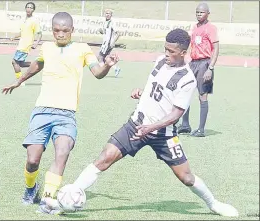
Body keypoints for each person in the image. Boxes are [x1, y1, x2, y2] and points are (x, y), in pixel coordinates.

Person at [45, 28, 238, 217]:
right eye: (165, 49)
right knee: (105, 157)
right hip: (136, 124)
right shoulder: (160, 61)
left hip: (163, 134)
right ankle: (69, 197)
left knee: (186, 177)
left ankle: (214, 204)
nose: (166, 54)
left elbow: (176, 114)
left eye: (171, 51)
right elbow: (154, 87)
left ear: (183, 53)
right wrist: (141, 93)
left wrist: (151, 127)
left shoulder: (187, 80)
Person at [2, 11, 119, 214]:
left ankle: (47, 199)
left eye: (65, 31)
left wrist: (107, 66)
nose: (61, 34)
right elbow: (38, 64)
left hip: (66, 114)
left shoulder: (83, 49)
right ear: (52, 31)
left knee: (62, 152)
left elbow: (97, 73)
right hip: (42, 111)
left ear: (72, 30)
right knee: (32, 159)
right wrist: (20, 80)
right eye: (57, 31)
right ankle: (31, 188)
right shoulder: (47, 47)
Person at [178, 2, 219, 137]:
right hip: (193, 63)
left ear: (208, 13)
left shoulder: (211, 28)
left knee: (202, 96)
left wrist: (210, 68)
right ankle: (185, 125)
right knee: (185, 91)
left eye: (201, 12)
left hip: (205, 63)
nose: (199, 14)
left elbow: (216, 48)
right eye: (197, 12)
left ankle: (201, 129)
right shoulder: (195, 27)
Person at [10, 2, 42, 86]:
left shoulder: (34, 20)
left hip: (25, 45)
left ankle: (20, 81)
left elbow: (39, 34)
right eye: (27, 7)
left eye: (31, 7)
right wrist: (14, 36)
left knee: (14, 62)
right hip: (21, 44)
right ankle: (37, 64)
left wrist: (36, 43)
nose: (29, 9)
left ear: (33, 10)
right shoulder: (24, 20)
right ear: (25, 8)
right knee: (20, 63)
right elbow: (22, 32)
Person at [98, 9, 121, 77]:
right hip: (105, 43)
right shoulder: (105, 22)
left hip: (107, 44)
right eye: (106, 13)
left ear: (111, 15)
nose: (107, 14)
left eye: (109, 13)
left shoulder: (112, 23)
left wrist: (113, 42)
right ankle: (116, 68)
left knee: (100, 57)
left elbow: (118, 33)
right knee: (104, 58)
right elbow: (106, 33)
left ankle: (102, 71)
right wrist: (101, 31)